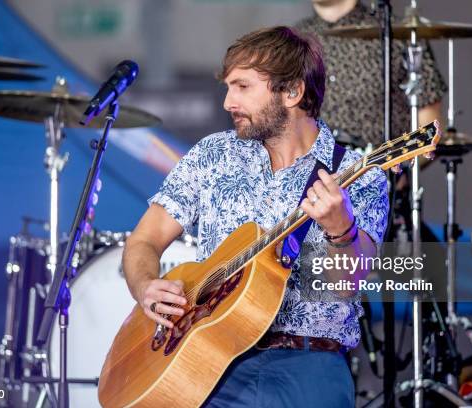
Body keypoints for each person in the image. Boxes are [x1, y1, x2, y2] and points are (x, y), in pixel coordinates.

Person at [122, 26, 388, 408]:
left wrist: (340, 228)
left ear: (293, 92)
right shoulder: (211, 155)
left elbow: (346, 284)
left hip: (309, 367)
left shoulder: (357, 173)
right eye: (228, 87)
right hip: (210, 361)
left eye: (243, 87)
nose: (228, 101)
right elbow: (143, 240)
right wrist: (145, 285)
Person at [296, 0, 446, 152]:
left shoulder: (400, 33)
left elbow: (429, 128)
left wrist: (402, 169)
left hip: (382, 171)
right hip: (313, 171)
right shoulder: (294, 40)